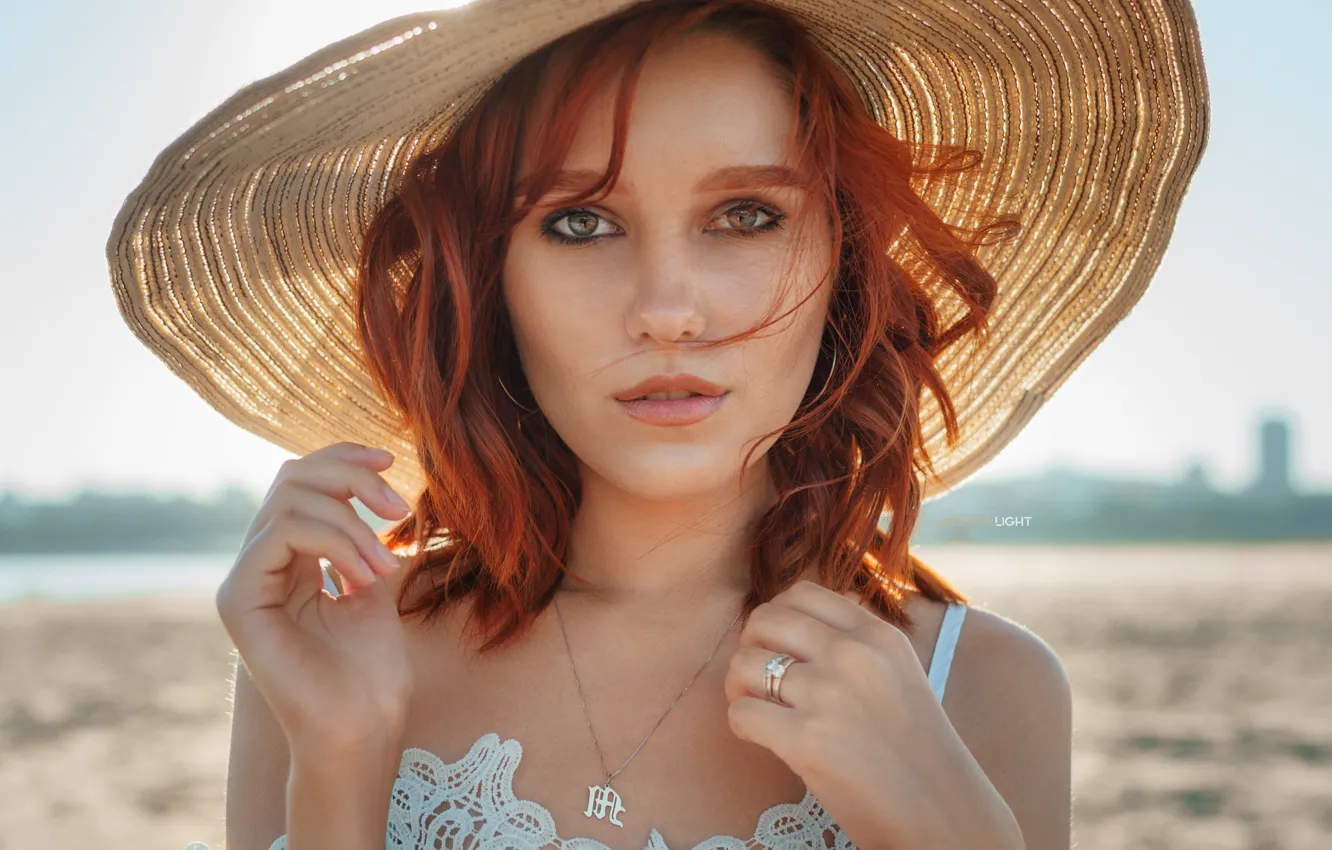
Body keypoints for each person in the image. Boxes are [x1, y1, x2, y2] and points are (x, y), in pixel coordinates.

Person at [107, 0, 1209, 848]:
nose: (668, 308)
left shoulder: (985, 688)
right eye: (580, 221)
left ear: (846, 263)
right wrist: (340, 769)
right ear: (492, 275)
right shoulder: (329, 654)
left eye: (746, 215)